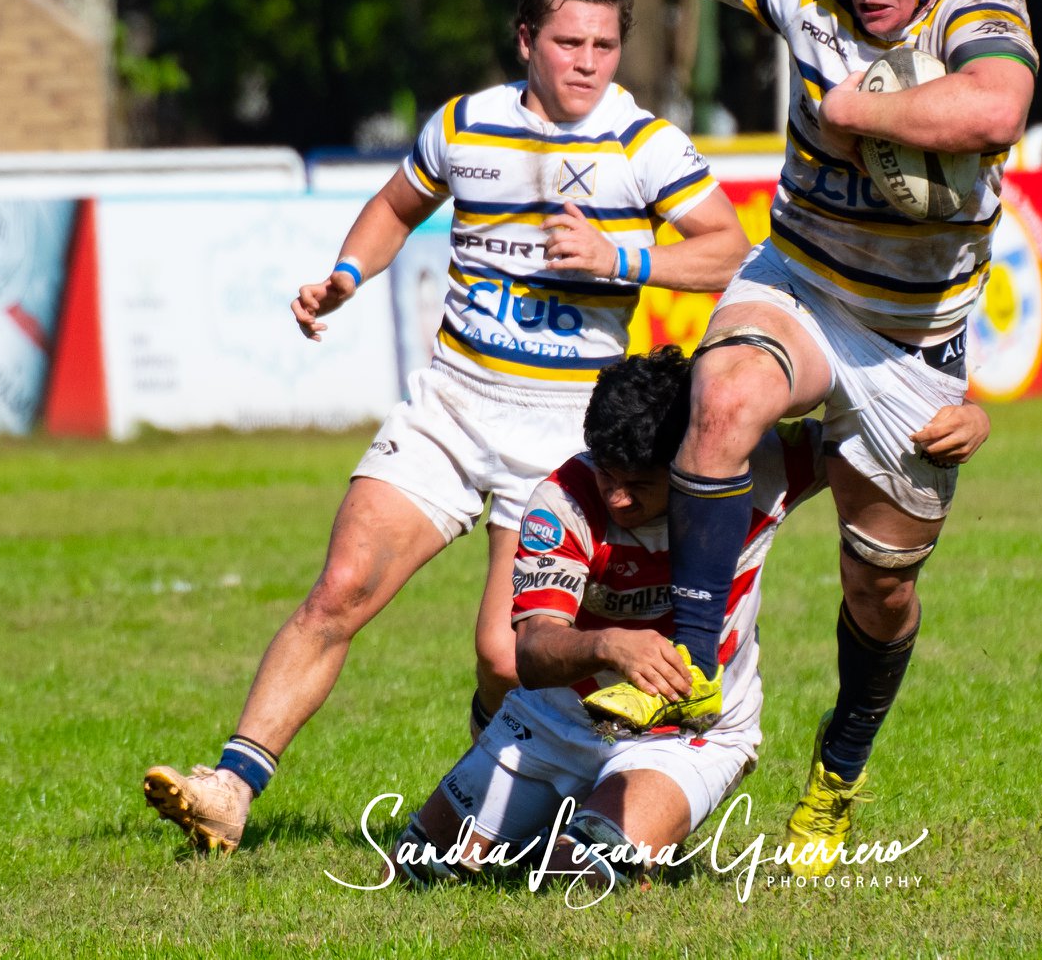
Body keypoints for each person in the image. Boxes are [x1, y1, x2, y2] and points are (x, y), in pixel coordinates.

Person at [386, 0, 1037, 874]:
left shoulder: (976, 0)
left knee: (881, 591)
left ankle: (836, 769)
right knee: (723, 397)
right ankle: (689, 663)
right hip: (802, 282)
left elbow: (994, 107)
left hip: (913, 338)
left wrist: (852, 109)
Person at [144, 0, 750, 852]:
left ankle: (501, 796)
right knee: (340, 589)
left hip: (563, 435)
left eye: (605, 45)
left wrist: (621, 262)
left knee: (507, 656)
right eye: (568, 42)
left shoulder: (645, 146)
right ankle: (230, 786)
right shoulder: (467, 124)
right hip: (453, 403)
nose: (587, 62)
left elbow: (727, 250)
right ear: (525, 41)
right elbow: (396, 204)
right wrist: (347, 274)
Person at [389, 348, 989, 891]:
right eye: (607, 474)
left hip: (693, 734)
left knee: (581, 874)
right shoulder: (564, 502)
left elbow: (872, 433)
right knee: (416, 868)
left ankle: (598, 831)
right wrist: (608, 647)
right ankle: (546, 811)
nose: (618, 499)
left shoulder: (759, 467)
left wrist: (973, 416)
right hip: (554, 723)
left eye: (640, 485)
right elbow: (533, 650)